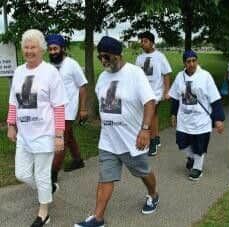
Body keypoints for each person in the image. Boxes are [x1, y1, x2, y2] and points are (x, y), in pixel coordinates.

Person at [75, 36, 159, 227]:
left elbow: (150, 102)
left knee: (143, 172)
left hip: (132, 140)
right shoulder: (103, 77)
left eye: (105, 56)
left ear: (117, 55)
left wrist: (145, 130)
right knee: (106, 177)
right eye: (100, 57)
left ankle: (153, 194)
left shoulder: (135, 74)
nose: (102, 60)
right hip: (108, 140)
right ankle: (97, 218)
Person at [6, 29, 67, 226]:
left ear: (42, 49)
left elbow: (58, 107)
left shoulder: (50, 73)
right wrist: (11, 125)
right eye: (26, 47)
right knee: (21, 174)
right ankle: (47, 189)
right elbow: (13, 102)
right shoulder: (18, 71)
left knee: (41, 174)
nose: (29, 50)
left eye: (33, 47)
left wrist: (59, 135)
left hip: (44, 134)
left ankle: (44, 213)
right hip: (24, 134)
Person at [168, 50, 225, 181]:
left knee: (200, 144)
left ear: (197, 61)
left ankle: (197, 168)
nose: (192, 64)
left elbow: (215, 98)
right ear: (184, 63)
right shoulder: (179, 77)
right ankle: (192, 158)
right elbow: (176, 98)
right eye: (189, 61)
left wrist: (218, 119)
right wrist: (173, 114)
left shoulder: (205, 76)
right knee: (181, 142)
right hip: (184, 118)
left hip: (201, 118)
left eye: (194, 60)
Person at [46, 34, 88, 185]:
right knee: (68, 136)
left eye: (55, 48)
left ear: (62, 49)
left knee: (61, 139)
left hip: (68, 109)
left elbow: (82, 86)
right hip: (53, 109)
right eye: (50, 49)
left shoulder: (72, 64)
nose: (52, 52)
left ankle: (52, 173)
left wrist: (83, 109)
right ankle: (78, 160)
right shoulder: (48, 66)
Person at [136, 31, 172, 156]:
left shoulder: (160, 56)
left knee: (149, 115)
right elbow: (137, 76)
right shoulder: (139, 58)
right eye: (141, 41)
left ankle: (152, 142)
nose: (142, 43)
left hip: (156, 92)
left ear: (152, 43)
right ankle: (156, 138)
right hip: (143, 92)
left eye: (145, 41)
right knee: (153, 116)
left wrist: (167, 91)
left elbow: (166, 74)